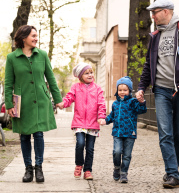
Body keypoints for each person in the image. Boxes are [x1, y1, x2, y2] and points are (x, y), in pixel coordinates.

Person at [136, 0, 179, 188]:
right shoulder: (155, 35)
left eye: (155, 12)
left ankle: (173, 169)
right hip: (161, 90)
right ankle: (173, 174)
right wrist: (141, 87)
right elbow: (149, 64)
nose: (152, 16)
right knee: (165, 133)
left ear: (166, 11)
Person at [5, 25, 63, 183]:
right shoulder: (12, 58)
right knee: (24, 136)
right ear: (24, 38)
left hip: (40, 102)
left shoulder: (42, 55)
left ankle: (39, 168)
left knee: (38, 135)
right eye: (33, 36)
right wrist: (9, 104)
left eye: (37, 36)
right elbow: (9, 83)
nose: (36, 38)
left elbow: (51, 78)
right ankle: (28, 169)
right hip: (21, 103)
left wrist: (58, 99)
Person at [57, 62, 106, 180]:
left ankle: (88, 170)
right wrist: (63, 104)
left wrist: (101, 116)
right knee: (80, 144)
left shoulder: (97, 88)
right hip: (79, 122)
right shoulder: (76, 87)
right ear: (80, 76)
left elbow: (101, 104)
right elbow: (69, 97)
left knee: (90, 148)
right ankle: (79, 165)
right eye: (86, 73)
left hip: (93, 123)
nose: (90, 75)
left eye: (91, 72)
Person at [100, 76, 147, 183]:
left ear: (129, 90)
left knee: (126, 155)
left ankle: (124, 173)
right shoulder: (115, 104)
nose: (122, 92)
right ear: (117, 90)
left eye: (125, 90)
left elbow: (142, 110)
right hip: (117, 132)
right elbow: (112, 115)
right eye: (120, 90)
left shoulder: (133, 102)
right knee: (116, 152)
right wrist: (105, 121)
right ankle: (117, 167)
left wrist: (142, 101)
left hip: (130, 133)